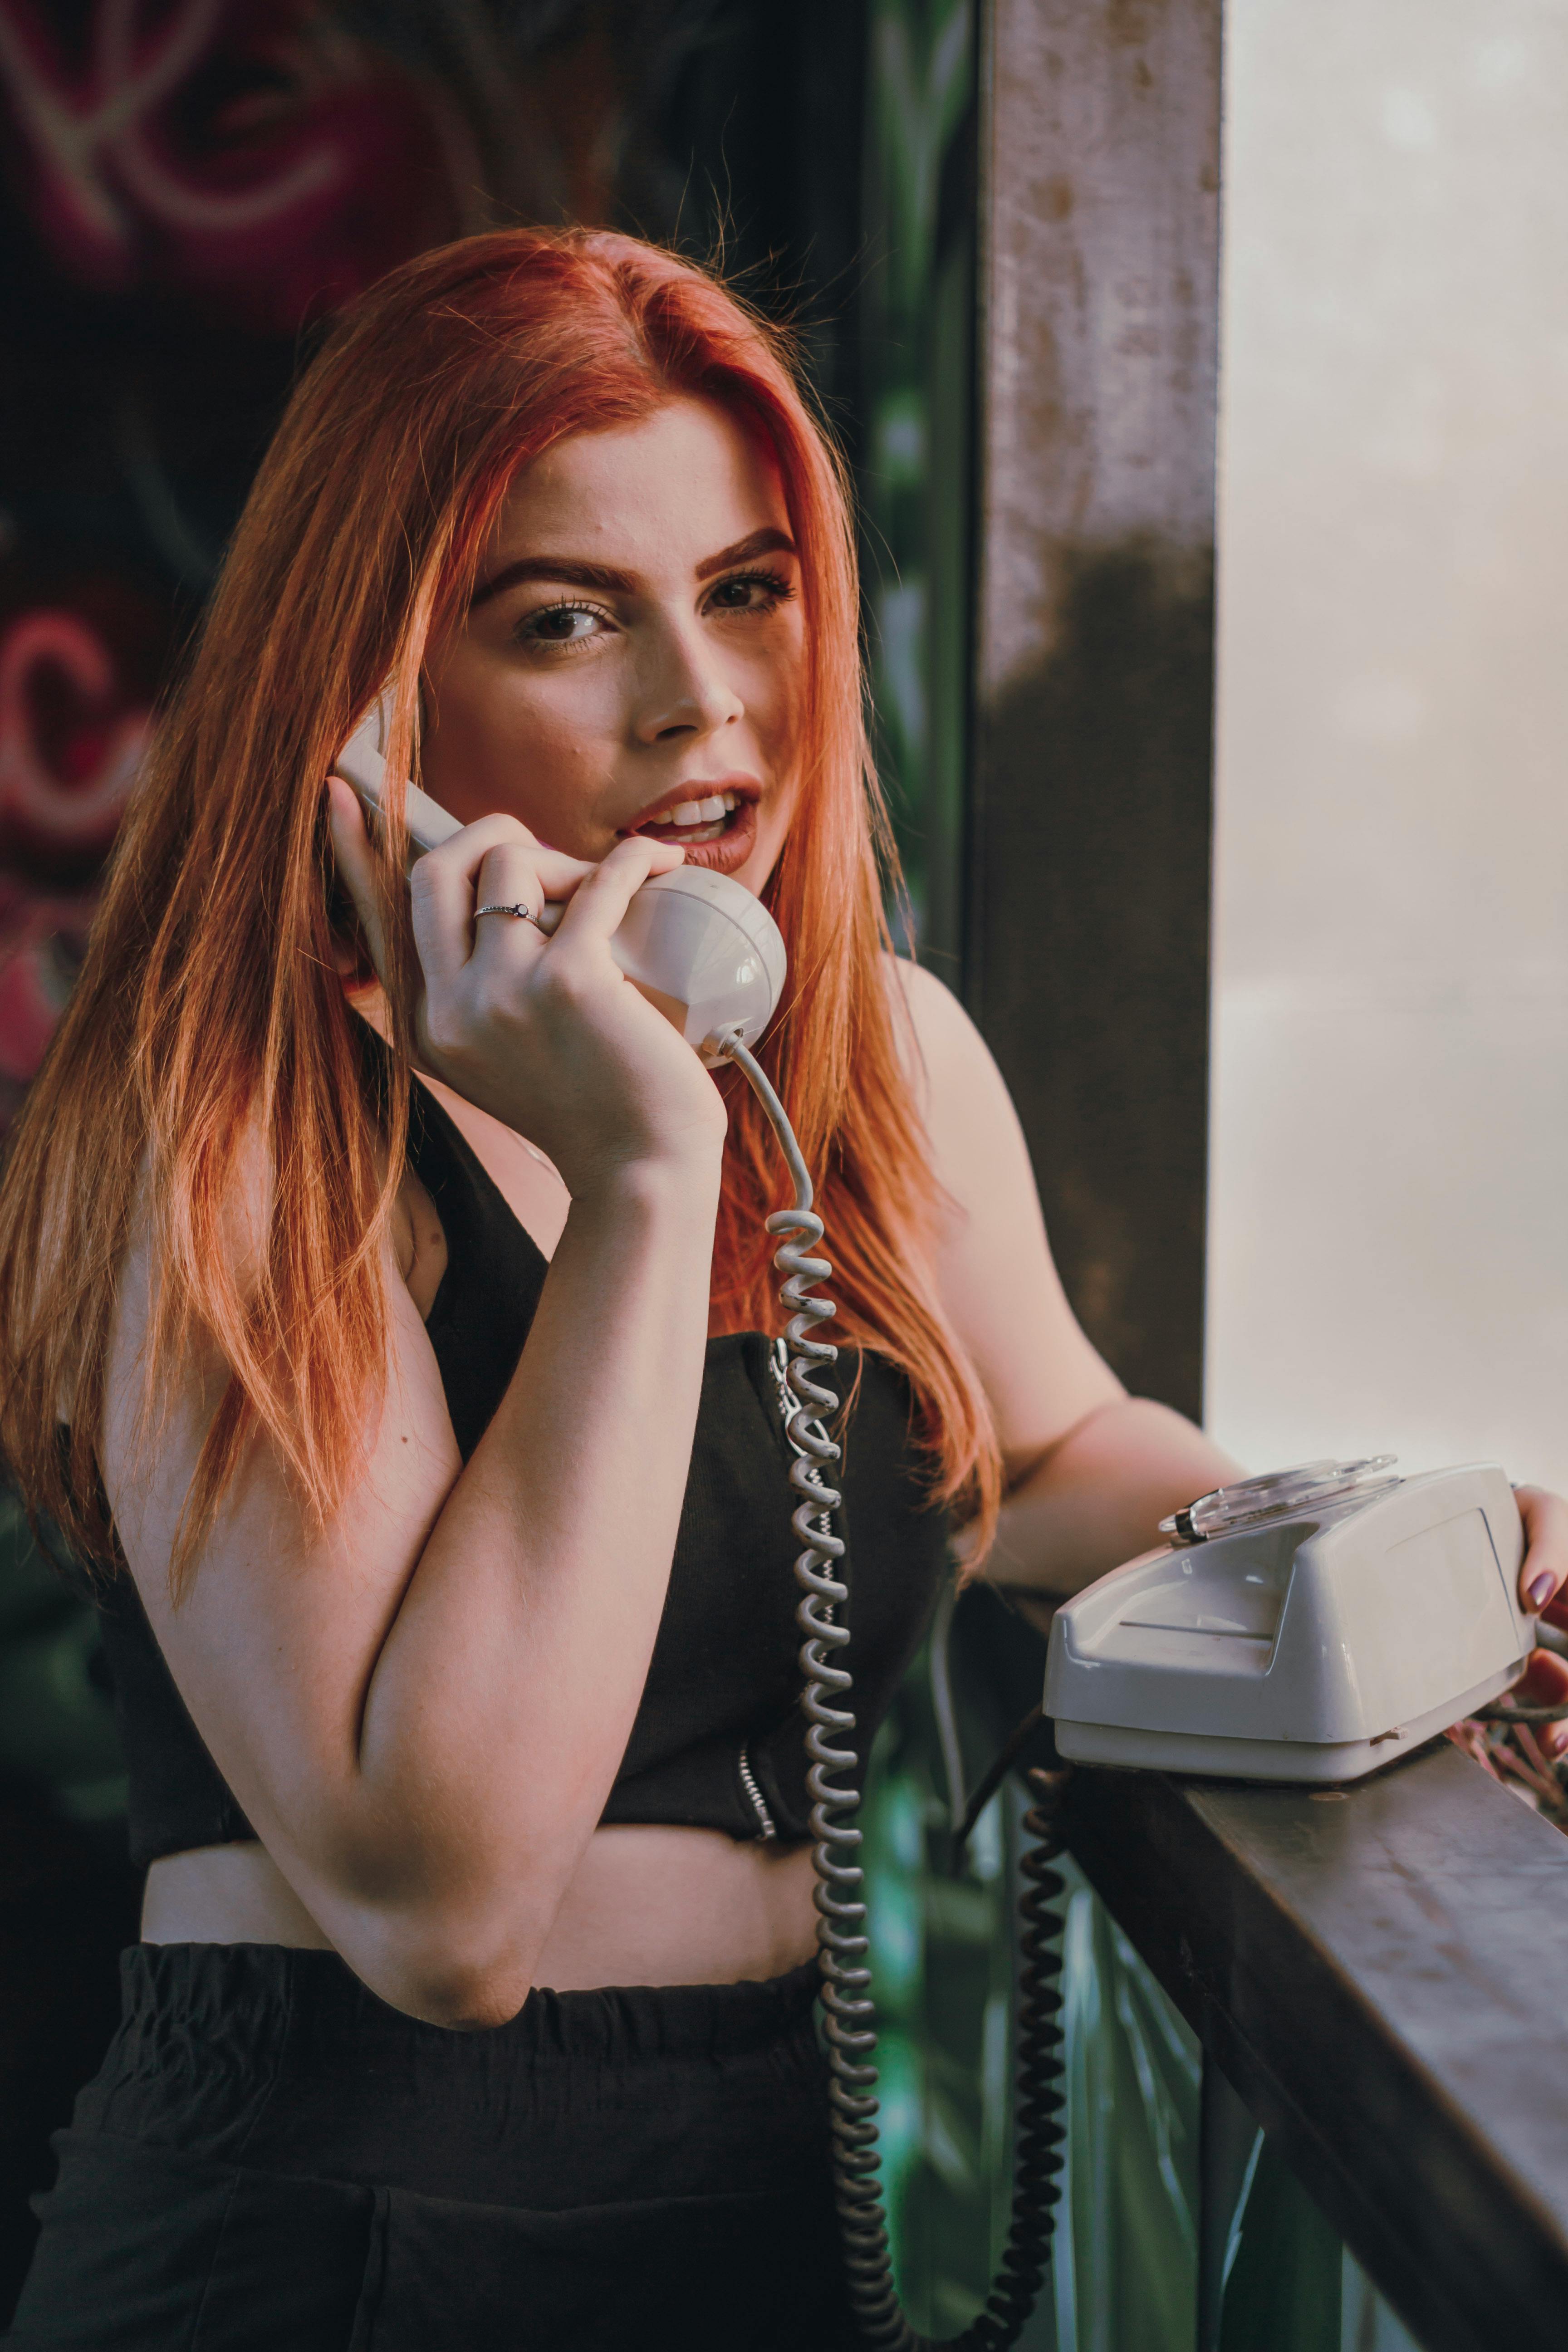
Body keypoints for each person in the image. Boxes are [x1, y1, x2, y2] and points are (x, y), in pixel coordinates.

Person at [0, 228, 1563, 2352]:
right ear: (370, 696)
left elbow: (1046, 1449)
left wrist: (1361, 1560)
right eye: (571, 621)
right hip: (335, 2223)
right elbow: (437, 1900)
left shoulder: (871, 1059)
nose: (705, 705)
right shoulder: (245, 1135)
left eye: (749, 591)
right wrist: (654, 1176)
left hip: (758, 2196)